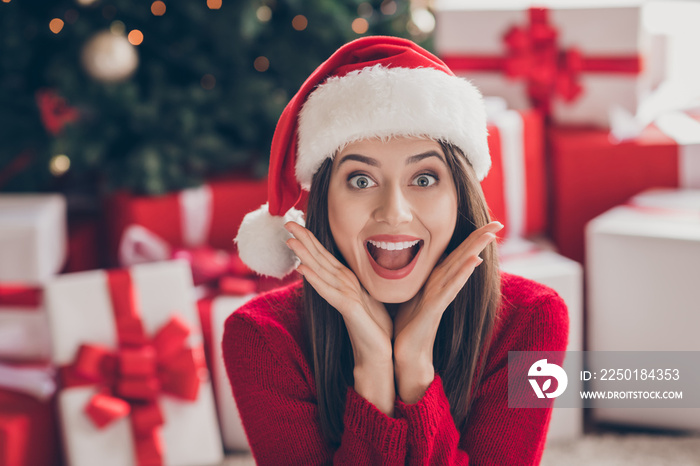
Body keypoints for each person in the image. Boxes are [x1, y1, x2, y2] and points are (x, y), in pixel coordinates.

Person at [224, 36, 568, 465]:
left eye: (424, 179)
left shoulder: (531, 320)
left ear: (460, 197)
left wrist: (416, 367)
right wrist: (372, 369)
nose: (395, 213)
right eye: (360, 180)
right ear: (323, 202)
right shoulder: (262, 338)